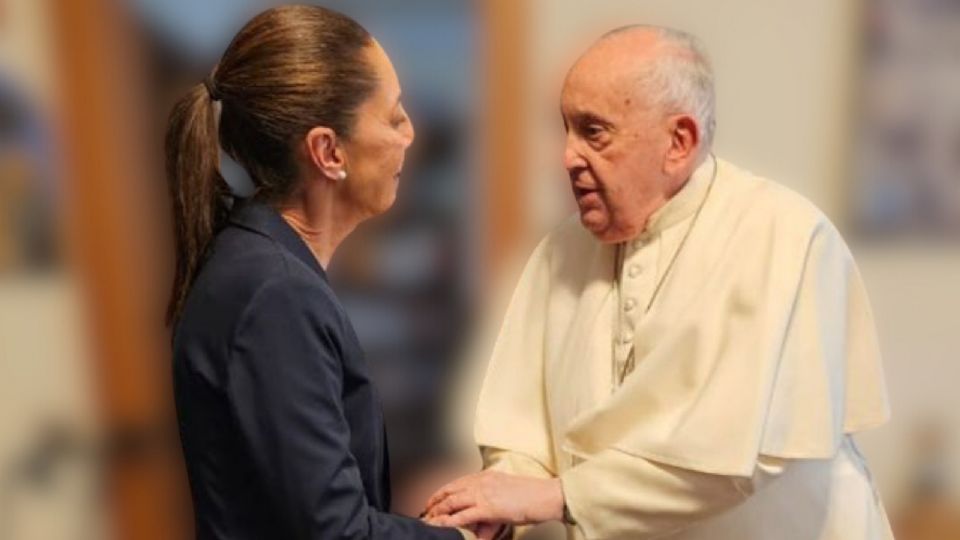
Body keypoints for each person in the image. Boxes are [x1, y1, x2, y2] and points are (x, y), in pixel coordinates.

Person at [425, 25, 893, 539]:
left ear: (679, 142)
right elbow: (524, 437)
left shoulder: (783, 236)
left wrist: (554, 497)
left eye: (594, 132)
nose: (567, 157)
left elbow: (727, 460)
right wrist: (495, 501)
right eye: (566, 129)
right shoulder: (559, 251)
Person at [166, 6, 466, 539]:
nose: (410, 134)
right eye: (394, 116)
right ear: (328, 151)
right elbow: (335, 531)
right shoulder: (274, 295)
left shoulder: (266, 269)